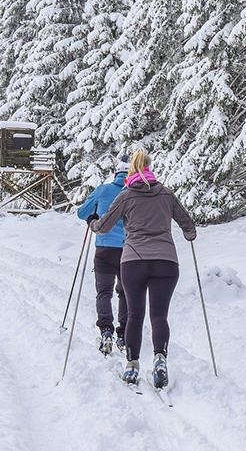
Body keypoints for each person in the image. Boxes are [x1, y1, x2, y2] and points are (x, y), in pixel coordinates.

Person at [87, 150, 196, 388]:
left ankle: (132, 366)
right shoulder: (167, 194)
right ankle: (159, 359)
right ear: (149, 168)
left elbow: (104, 226)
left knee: (135, 315)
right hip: (166, 262)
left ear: (132, 170)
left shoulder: (126, 196)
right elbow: (188, 224)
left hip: (133, 261)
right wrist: (189, 234)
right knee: (159, 316)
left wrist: (93, 223)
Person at [77, 158, 130, 355]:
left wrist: (93, 218)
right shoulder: (134, 192)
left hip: (104, 249)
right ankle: (123, 334)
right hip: (128, 250)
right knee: (125, 293)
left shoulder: (104, 189)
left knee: (104, 292)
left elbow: (82, 212)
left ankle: (106, 330)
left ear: (116, 174)